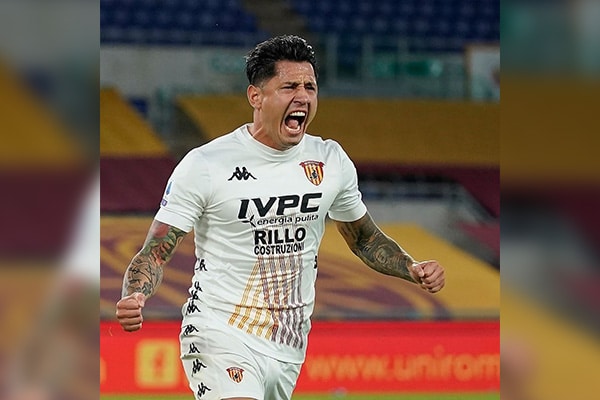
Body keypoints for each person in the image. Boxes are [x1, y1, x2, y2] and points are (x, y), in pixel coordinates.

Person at [116, 35, 445, 400]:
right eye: (289, 87)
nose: (302, 96)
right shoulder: (206, 165)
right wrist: (136, 294)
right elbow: (155, 250)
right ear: (255, 96)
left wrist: (411, 267)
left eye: (310, 87)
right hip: (218, 330)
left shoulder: (330, 161)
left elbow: (365, 238)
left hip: (288, 344)